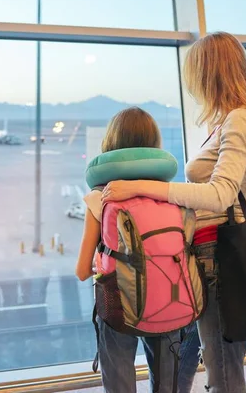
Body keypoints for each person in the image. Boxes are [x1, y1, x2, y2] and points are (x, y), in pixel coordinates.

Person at [101, 31, 246, 393]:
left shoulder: (240, 118)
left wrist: (143, 188)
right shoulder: (225, 121)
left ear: (209, 73)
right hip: (200, 256)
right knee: (187, 358)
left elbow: (221, 194)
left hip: (221, 257)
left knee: (222, 369)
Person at [75, 106, 181, 393]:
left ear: (111, 145)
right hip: (169, 304)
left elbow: (83, 271)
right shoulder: (170, 197)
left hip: (118, 308)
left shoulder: (101, 199)